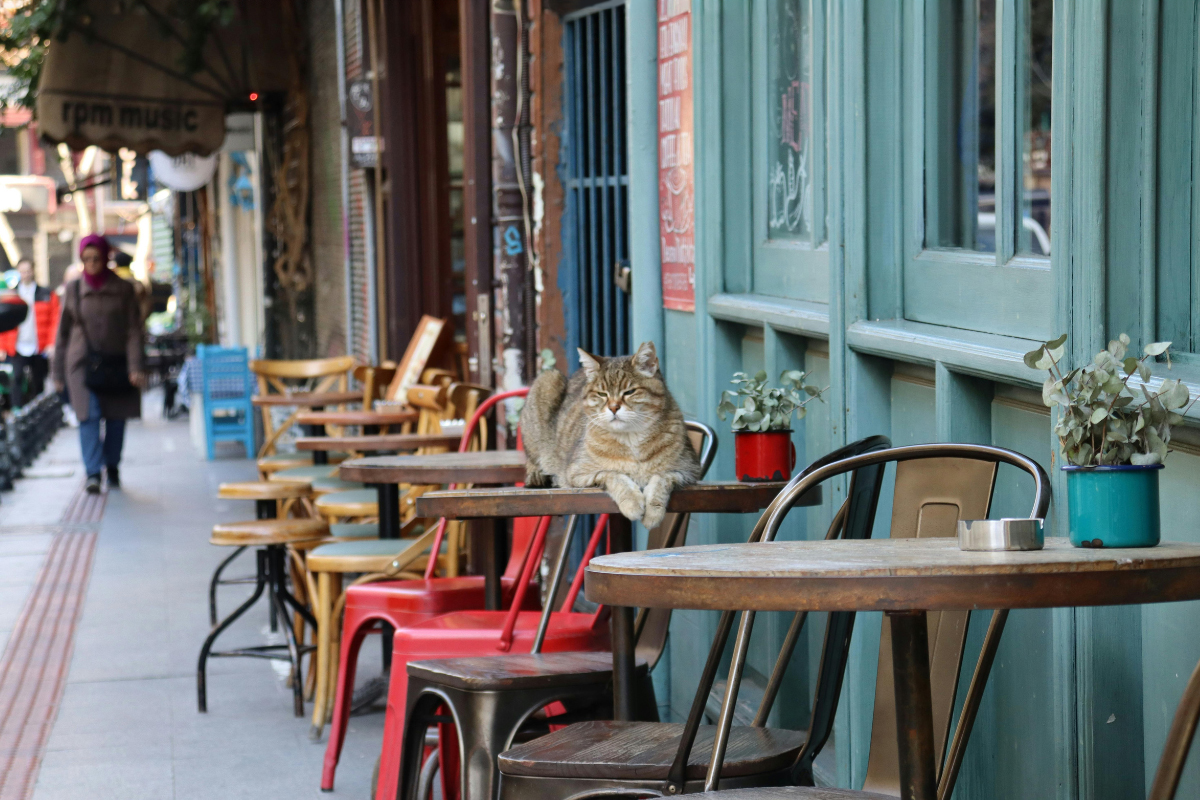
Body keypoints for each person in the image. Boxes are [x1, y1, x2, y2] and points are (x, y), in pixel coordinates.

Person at [52, 235, 145, 494]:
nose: (91, 264)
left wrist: (136, 366)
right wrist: (57, 372)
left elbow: (134, 331)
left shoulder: (124, 289)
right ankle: (93, 472)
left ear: (106, 259)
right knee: (88, 416)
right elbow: (62, 335)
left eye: (96, 258)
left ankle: (112, 465)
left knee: (116, 418)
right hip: (81, 362)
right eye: (86, 259)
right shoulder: (73, 290)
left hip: (117, 362)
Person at [0, 259, 60, 406]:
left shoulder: (46, 294)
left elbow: (55, 319)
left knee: (38, 379)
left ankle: (37, 411)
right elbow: (5, 322)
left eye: (28, 271)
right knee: (16, 377)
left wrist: (51, 343)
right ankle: (16, 410)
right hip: (17, 344)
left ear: (33, 271)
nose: (25, 274)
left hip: (38, 344)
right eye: (22, 271)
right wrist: (2, 346)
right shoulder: (11, 294)